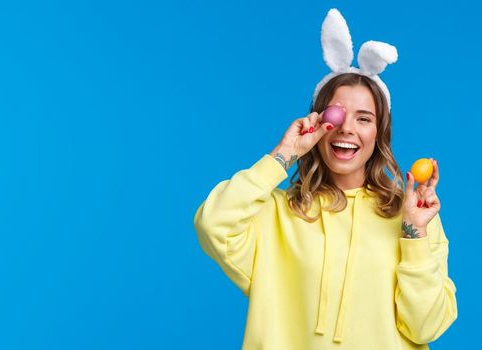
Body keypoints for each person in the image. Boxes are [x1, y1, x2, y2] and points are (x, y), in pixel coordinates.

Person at [193, 9, 457, 349]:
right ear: (318, 123)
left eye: (364, 118)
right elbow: (212, 224)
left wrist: (414, 232)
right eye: (338, 114)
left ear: (379, 133)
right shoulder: (277, 214)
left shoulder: (413, 219)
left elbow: (426, 328)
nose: (347, 127)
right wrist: (283, 154)